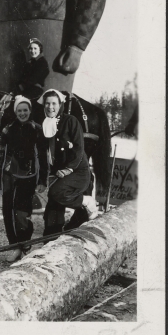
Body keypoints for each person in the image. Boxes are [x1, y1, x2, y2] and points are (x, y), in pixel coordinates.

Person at [39, 89, 98, 238]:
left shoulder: (70, 121)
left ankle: (86, 201)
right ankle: (51, 240)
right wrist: (42, 181)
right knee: (53, 208)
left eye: (54, 103)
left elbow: (79, 149)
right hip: (58, 174)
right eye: (47, 103)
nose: (50, 107)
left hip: (77, 171)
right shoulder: (44, 125)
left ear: (60, 105)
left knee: (56, 193)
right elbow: (43, 156)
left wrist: (68, 169)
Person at [0, 95, 48, 262]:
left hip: (29, 173)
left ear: (30, 111)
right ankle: (14, 246)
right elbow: (0, 152)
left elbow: (43, 156)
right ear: (15, 112)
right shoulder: (8, 128)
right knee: (8, 210)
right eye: (19, 110)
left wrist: (42, 180)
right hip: (9, 172)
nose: (22, 113)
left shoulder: (37, 129)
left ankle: (25, 244)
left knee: (22, 211)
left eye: (25, 110)